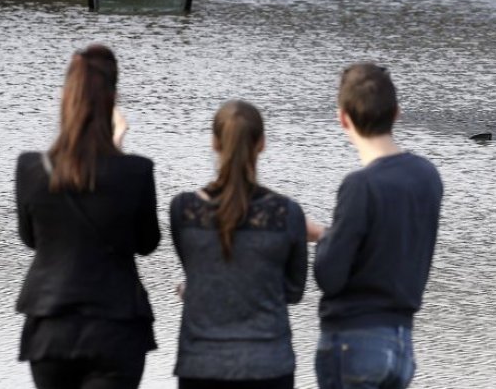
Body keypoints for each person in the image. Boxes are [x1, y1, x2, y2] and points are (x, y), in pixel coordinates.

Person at [15, 44, 160, 389]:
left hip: (50, 328)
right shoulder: (136, 171)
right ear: (112, 101)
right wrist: (118, 149)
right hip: (116, 328)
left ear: (66, 99)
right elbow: (147, 243)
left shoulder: (31, 168)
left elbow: (31, 239)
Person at [311, 63, 443, 389]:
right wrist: (328, 234)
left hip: (353, 341)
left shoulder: (360, 186)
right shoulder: (427, 176)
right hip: (401, 343)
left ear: (343, 119)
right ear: (397, 113)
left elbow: (329, 275)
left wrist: (320, 238)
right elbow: (387, 247)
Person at [170, 100, 308, 389]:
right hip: (268, 364)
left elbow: (198, 272)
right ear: (262, 144)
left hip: (201, 363)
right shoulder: (287, 213)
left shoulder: (184, 210)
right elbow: (293, 292)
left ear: (214, 143)